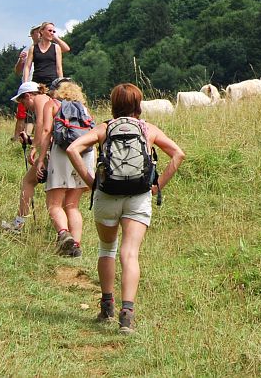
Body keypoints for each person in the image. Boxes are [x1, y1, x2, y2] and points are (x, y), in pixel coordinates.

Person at [67, 82, 184, 334]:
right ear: (138, 105)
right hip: (138, 197)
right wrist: (157, 185)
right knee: (130, 254)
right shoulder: (148, 129)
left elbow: (72, 148)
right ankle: (127, 314)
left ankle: (107, 305)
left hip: (107, 196)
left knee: (107, 248)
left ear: (114, 104)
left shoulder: (105, 128)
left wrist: (91, 182)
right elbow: (178, 154)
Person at [34, 78, 94, 257]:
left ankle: (63, 234)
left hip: (62, 153)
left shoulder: (52, 104)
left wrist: (41, 158)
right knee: (73, 205)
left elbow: (46, 132)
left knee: (54, 204)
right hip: (84, 155)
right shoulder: (83, 109)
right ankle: (75, 246)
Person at [1, 81, 47, 234]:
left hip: (55, 151)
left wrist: (33, 148)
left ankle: (18, 225)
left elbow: (41, 124)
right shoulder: (52, 100)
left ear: (28, 96)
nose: (24, 107)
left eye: (22, 102)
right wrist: (31, 140)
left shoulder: (41, 100)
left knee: (28, 181)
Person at [23, 20, 68, 87]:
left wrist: (60, 84)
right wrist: (25, 83)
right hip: (37, 83)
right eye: (49, 31)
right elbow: (27, 67)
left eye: (53, 31)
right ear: (42, 31)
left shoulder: (56, 47)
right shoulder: (33, 48)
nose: (52, 33)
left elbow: (59, 68)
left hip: (52, 82)